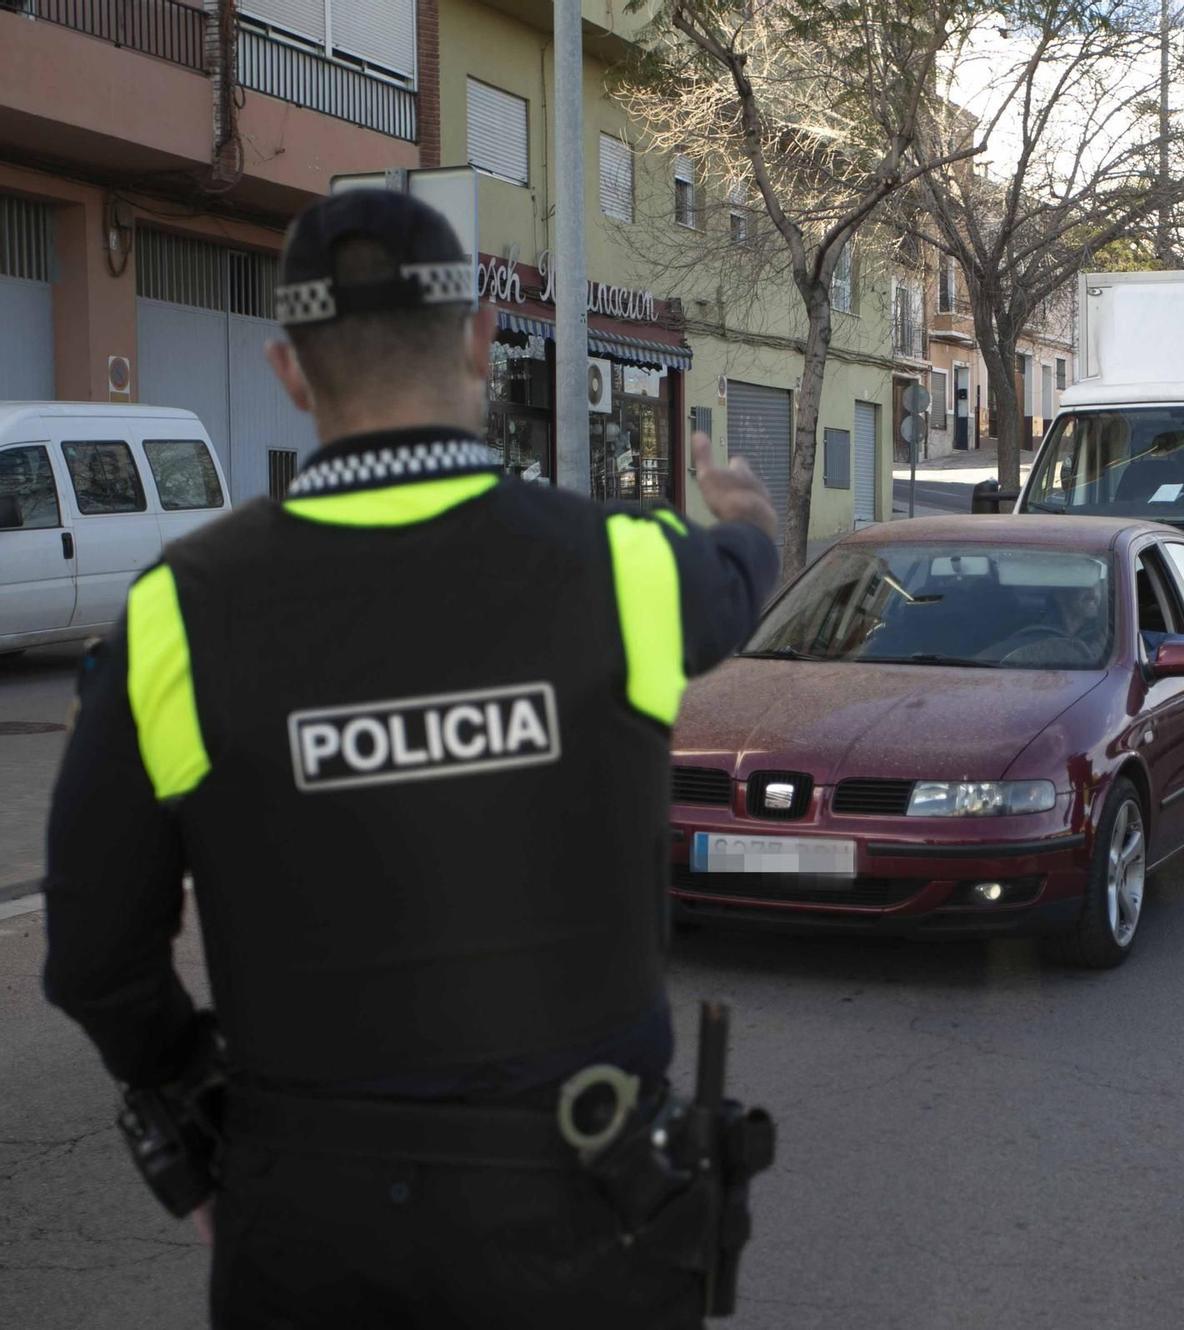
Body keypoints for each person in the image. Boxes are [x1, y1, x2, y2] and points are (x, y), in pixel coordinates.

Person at [40, 189, 779, 1327]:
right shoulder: (625, 569)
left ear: (291, 370)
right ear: (483, 341)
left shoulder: (172, 620)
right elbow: (732, 581)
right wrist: (747, 522)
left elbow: (96, 956)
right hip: (588, 1211)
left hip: (307, 1227)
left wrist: (199, 1130)